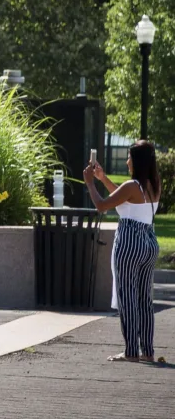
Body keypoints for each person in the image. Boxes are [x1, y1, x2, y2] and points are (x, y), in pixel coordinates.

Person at [85, 140, 162, 363]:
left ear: (136, 161)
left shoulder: (131, 186)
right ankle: (147, 351)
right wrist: (102, 178)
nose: (127, 161)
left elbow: (102, 205)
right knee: (145, 299)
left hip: (130, 242)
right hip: (149, 242)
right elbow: (124, 200)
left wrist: (90, 183)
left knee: (127, 297)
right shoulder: (153, 185)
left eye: (129, 157)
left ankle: (130, 352)